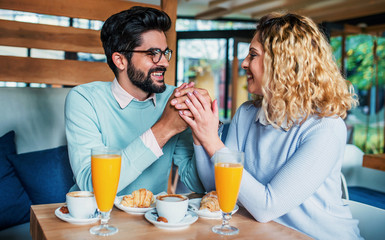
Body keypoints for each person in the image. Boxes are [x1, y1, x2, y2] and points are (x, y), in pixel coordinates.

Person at [177, 13, 362, 239]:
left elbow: (267, 207)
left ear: (282, 62)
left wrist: (212, 141)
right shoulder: (246, 114)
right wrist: (200, 131)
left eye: (253, 55)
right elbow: (217, 189)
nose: (244, 63)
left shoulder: (325, 128)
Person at [65, 6, 208, 196]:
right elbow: (92, 185)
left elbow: (196, 183)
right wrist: (165, 127)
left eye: (165, 53)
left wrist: (201, 130)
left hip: (151, 219)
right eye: (153, 53)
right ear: (120, 60)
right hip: (96, 218)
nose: (164, 62)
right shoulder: (85, 100)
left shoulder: (174, 99)